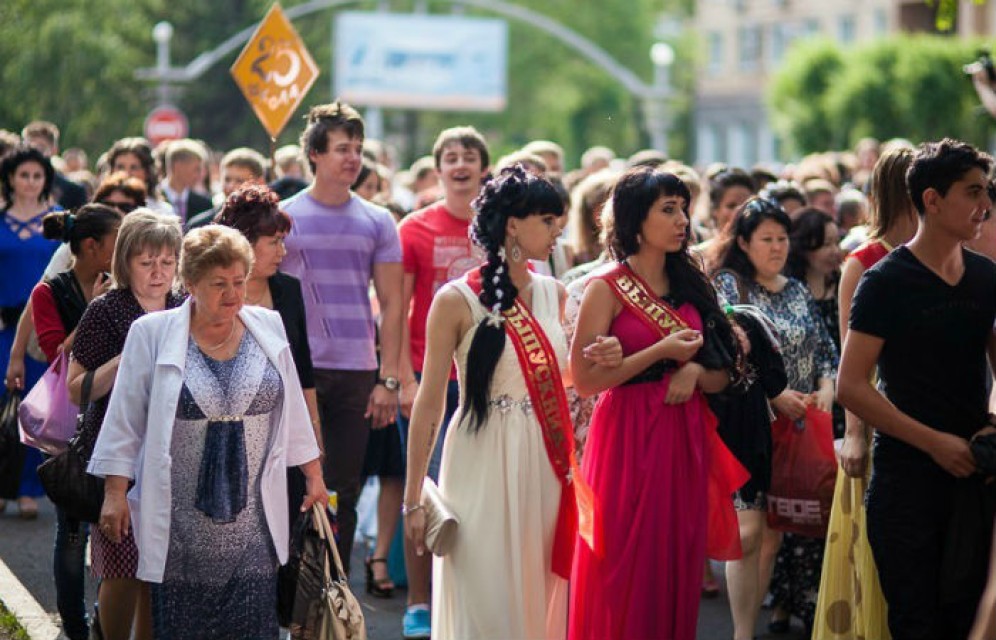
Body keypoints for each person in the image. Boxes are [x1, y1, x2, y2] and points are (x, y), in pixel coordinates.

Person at [88, 224, 326, 640]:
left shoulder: (268, 325)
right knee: (179, 628)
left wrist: (314, 475)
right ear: (191, 283)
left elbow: (292, 412)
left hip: (253, 527)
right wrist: (114, 492)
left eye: (239, 281)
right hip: (179, 528)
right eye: (219, 284)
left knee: (253, 628)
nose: (233, 293)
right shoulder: (152, 333)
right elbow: (125, 417)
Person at [404, 165, 598, 639]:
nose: (558, 231)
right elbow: (430, 403)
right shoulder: (456, 300)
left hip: (543, 456)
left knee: (539, 585)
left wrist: (602, 358)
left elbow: (563, 376)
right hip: (480, 452)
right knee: (483, 586)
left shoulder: (556, 293)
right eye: (549, 220)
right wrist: (413, 498)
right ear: (513, 224)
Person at [569, 167, 746, 640]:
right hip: (625, 434)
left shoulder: (692, 282)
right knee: (624, 558)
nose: (682, 219)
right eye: (667, 210)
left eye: (683, 208)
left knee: (676, 555)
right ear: (634, 220)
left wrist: (692, 370)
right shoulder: (605, 288)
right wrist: (660, 353)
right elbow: (587, 381)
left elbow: (724, 373)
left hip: (682, 433)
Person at [837, 139, 996, 639]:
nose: (984, 206)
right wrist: (934, 443)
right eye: (972, 192)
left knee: (969, 620)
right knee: (915, 623)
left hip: (975, 478)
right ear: (932, 199)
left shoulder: (987, 277)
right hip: (906, 482)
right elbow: (851, 386)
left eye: (985, 192)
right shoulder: (885, 281)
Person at [280, 100, 403, 576]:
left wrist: (388, 380)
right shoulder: (284, 218)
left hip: (356, 372)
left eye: (357, 149)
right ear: (314, 154)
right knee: (294, 485)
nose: (352, 158)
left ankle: (333, 591)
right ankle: (289, 593)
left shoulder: (378, 220)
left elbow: (393, 304)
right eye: (341, 149)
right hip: (295, 370)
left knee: (343, 491)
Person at [713, 197, 838, 636]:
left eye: (782, 238)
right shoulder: (728, 287)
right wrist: (776, 392)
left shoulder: (798, 288)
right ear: (743, 242)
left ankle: (750, 626)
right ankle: (741, 632)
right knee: (747, 532)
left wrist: (826, 386)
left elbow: (825, 347)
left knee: (774, 533)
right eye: (766, 239)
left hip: (799, 424)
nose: (776, 247)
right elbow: (730, 353)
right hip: (749, 423)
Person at [812, 143, 917, 640]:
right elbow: (852, 358)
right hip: (875, 412)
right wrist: (854, 434)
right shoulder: (863, 261)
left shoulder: (954, 253)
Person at [66, 210, 185, 640]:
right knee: (122, 566)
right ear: (125, 262)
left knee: (160, 570)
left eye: (167, 262)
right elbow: (75, 388)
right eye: (146, 261)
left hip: (174, 451)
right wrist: (129, 358)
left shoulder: (185, 306)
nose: (158, 272)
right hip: (118, 454)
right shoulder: (105, 310)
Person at [396, 125, 489, 638]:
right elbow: (399, 307)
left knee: (472, 497)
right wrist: (402, 379)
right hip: (428, 376)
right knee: (425, 493)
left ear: (481, 167)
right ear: (438, 168)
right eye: (450, 156)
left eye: (469, 156)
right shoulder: (415, 227)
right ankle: (417, 602)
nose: (460, 164)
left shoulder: (497, 229)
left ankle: (465, 595)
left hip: (485, 381)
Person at [213, 183, 324, 569]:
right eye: (274, 242)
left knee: (284, 547)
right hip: (220, 438)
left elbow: (303, 371)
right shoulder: (205, 293)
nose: (283, 251)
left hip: (281, 436)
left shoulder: (289, 290)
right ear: (244, 243)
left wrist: (313, 445)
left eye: (283, 241)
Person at [29, 204, 121, 640]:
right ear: (91, 246)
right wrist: (94, 311)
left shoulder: (127, 286)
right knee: (71, 532)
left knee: (120, 529)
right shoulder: (49, 293)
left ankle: (110, 618)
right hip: (70, 426)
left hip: (118, 418)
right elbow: (56, 357)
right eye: (118, 240)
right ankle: (74, 625)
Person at [0, 145, 61, 518]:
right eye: (23, 174)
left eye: (37, 175)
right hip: (4, 327)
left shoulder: (58, 220)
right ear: (9, 178)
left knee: (35, 410)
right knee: (1, 404)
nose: (30, 181)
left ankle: (27, 490)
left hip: (44, 328)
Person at [786, 208, 844, 435]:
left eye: (836, 242)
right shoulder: (790, 292)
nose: (834, 251)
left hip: (845, 396)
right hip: (808, 399)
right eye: (825, 244)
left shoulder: (844, 285)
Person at [185, 147, 267, 230]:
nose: (231, 186)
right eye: (227, 180)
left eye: (239, 181)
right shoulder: (201, 226)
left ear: (259, 182)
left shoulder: (270, 222)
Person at [105, 138, 173, 215]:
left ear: (147, 172)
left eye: (134, 167)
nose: (127, 173)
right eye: (120, 167)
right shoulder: (103, 207)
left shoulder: (162, 211)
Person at [159, 139, 211, 224]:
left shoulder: (204, 204)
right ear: (178, 166)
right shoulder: (151, 200)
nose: (199, 175)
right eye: (196, 169)